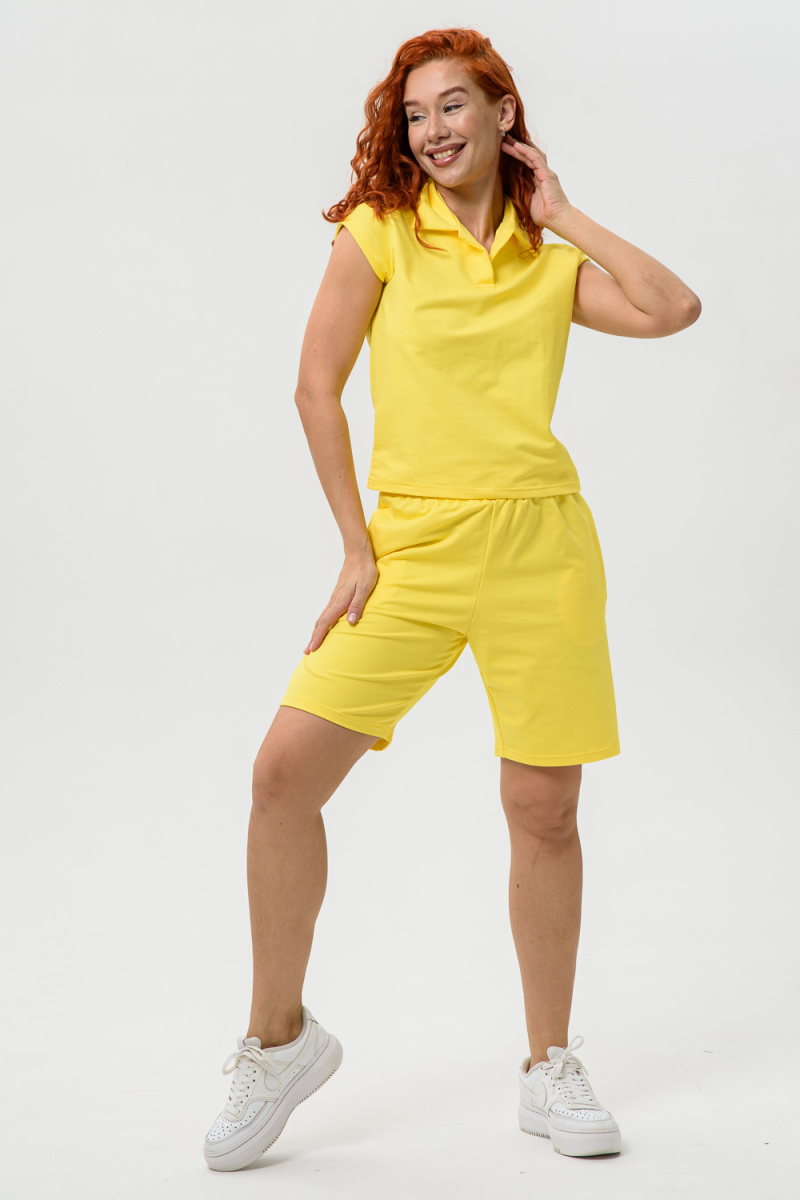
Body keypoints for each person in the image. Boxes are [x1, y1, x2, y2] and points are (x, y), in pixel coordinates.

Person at [202, 28, 701, 1171]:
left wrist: (561, 212)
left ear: (500, 111)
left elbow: (671, 308)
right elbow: (314, 389)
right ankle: (278, 1040)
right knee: (282, 776)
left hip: (539, 549)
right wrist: (354, 546)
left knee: (543, 810)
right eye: (415, 113)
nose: (430, 130)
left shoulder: (545, 258)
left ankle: (547, 1064)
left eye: (451, 106)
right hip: (411, 549)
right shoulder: (379, 232)